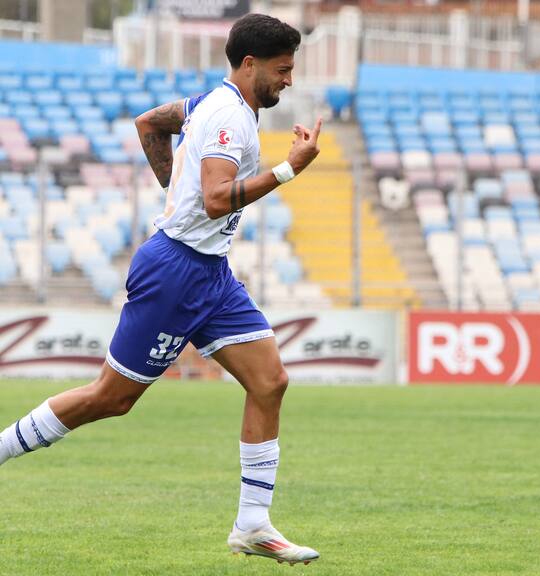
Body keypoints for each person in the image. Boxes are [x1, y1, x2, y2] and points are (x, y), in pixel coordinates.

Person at [0, 13, 322, 565]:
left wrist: (176, 198)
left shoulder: (208, 104)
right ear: (250, 64)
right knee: (111, 399)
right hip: (176, 271)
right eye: (282, 70)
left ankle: (253, 525)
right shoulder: (230, 121)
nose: (288, 81)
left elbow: (150, 123)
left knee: (269, 382)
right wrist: (289, 169)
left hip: (210, 272)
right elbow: (219, 199)